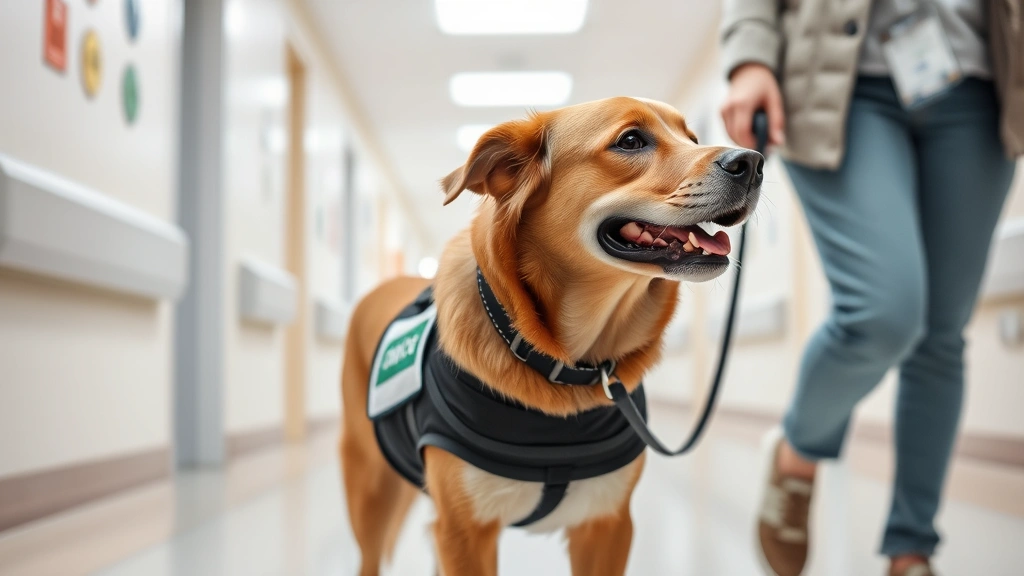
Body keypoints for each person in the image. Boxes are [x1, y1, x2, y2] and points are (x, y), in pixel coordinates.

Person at [719, 0, 1023, 575]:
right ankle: (798, 451)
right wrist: (749, 58)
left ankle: (911, 551)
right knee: (882, 313)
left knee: (941, 334)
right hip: (837, 82)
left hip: (981, 85)